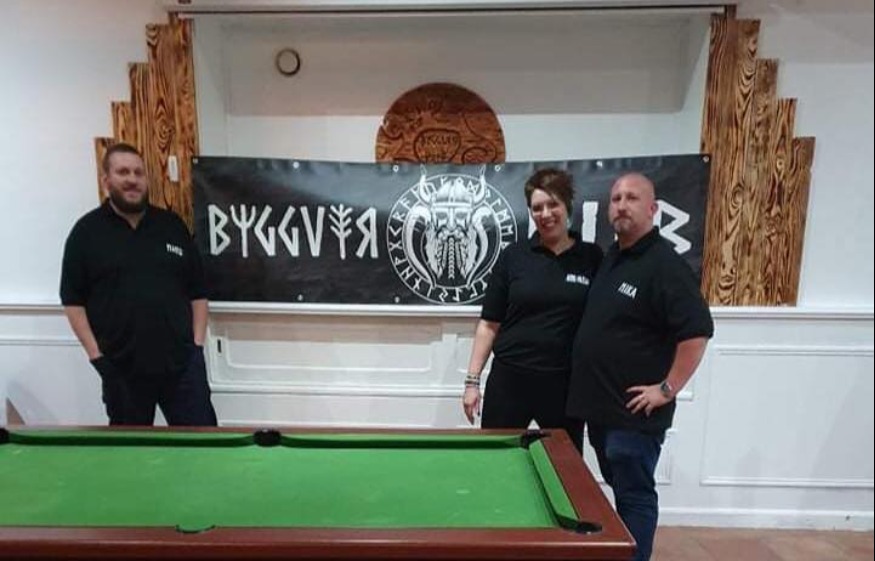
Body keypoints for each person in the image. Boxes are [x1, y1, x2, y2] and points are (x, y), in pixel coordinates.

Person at [567, 172, 714, 561]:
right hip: (602, 410)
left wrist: (666, 389)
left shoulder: (665, 265)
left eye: (631, 198)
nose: (621, 205)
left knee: (634, 495)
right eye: (616, 198)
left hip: (634, 415)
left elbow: (697, 333)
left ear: (653, 209)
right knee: (620, 488)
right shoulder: (612, 258)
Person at [60, 142, 218, 426]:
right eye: (123, 172)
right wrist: (97, 357)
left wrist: (195, 348)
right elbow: (73, 301)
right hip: (121, 370)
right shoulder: (86, 233)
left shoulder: (172, 226)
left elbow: (198, 292)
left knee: (203, 443)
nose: (132, 179)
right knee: (129, 450)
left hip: (182, 367)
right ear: (106, 181)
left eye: (138, 172)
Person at [462, 168, 603, 452]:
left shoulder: (592, 257)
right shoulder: (513, 257)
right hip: (510, 380)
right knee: (495, 458)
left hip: (564, 384)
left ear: (568, 206)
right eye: (537, 208)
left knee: (564, 463)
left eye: (553, 205)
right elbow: (489, 324)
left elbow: (604, 323)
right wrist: (472, 382)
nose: (545, 214)